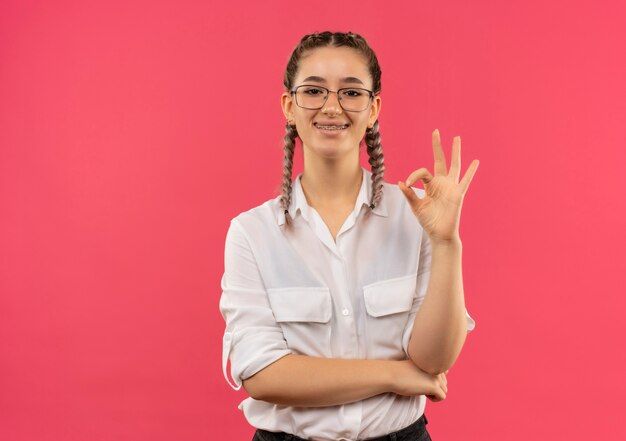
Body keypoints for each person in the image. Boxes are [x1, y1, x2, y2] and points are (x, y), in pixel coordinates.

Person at [219, 31, 479, 441]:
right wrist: (396, 375)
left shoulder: (416, 214)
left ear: (373, 109)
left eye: (351, 93)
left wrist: (446, 243)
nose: (332, 106)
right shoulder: (251, 234)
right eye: (314, 91)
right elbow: (263, 374)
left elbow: (433, 360)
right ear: (289, 106)